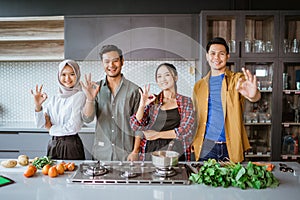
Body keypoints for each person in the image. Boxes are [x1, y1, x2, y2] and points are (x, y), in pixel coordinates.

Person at [191, 37, 261, 163]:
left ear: (227, 56)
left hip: (231, 146)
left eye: (221, 54)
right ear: (207, 56)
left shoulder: (237, 79)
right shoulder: (199, 86)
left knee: (233, 183)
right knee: (204, 182)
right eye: (213, 53)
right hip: (206, 146)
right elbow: (196, 117)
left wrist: (253, 95)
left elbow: (254, 96)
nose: (216, 57)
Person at [81, 44, 141, 161]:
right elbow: (87, 119)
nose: (111, 65)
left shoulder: (134, 90)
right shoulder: (95, 89)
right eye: (107, 61)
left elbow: (140, 125)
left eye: (115, 61)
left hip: (126, 154)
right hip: (101, 153)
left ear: (122, 61)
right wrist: (90, 98)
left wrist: (135, 151)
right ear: (102, 63)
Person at [130, 63, 195, 161]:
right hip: (150, 151)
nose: (163, 79)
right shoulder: (153, 102)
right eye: (159, 76)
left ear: (175, 77)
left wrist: (157, 134)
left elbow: (186, 130)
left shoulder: (186, 101)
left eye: (167, 75)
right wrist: (142, 105)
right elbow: (135, 125)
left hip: (175, 151)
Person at [31, 59, 86, 160]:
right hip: (53, 143)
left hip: (71, 145)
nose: (67, 78)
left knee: (71, 174)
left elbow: (73, 127)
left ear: (77, 75)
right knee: (51, 174)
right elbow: (40, 124)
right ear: (58, 76)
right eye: (63, 74)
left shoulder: (80, 95)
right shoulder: (54, 98)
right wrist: (38, 106)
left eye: (72, 74)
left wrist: (51, 128)